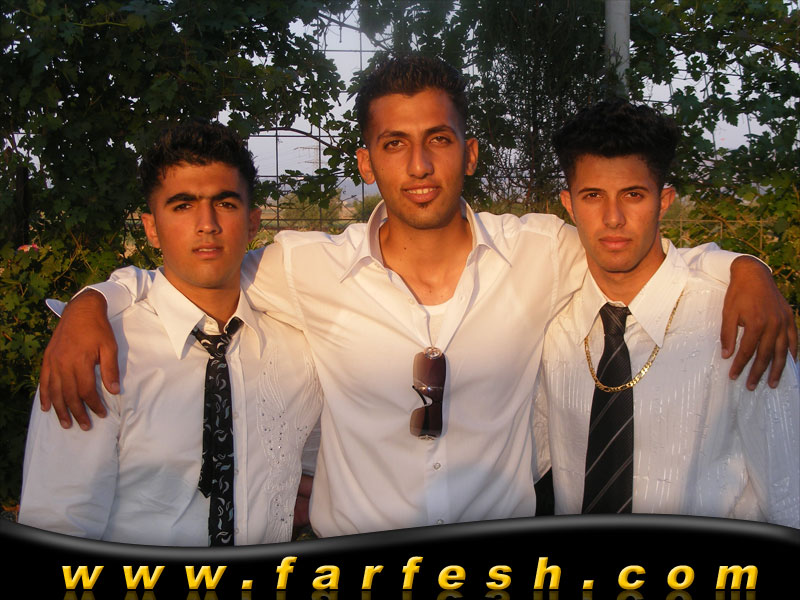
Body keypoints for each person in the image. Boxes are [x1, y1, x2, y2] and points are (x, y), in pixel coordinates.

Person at [37, 55, 797, 537]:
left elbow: (641, 251)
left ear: (470, 152)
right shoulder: (305, 268)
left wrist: (744, 269)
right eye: (395, 144)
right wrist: (94, 303)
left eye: (438, 139)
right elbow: (198, 267)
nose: (420, 165)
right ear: (366, 162)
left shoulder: (542, 251)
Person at [18, 121, 322, 545]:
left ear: (253, 221)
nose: (207, 224)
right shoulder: (100, 353)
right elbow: (59, 520)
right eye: (182, 206)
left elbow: (315, 461)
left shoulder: (298, 347)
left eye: (225, 203)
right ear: (151, 227)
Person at [536, 99, 799, 526]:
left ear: (664, 201)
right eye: (593, 196)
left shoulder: (741, 321)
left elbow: (790, 495)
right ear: (569, 204)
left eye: (633, 195)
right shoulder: (553, 325)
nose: (613, 218)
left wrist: (750, 269)